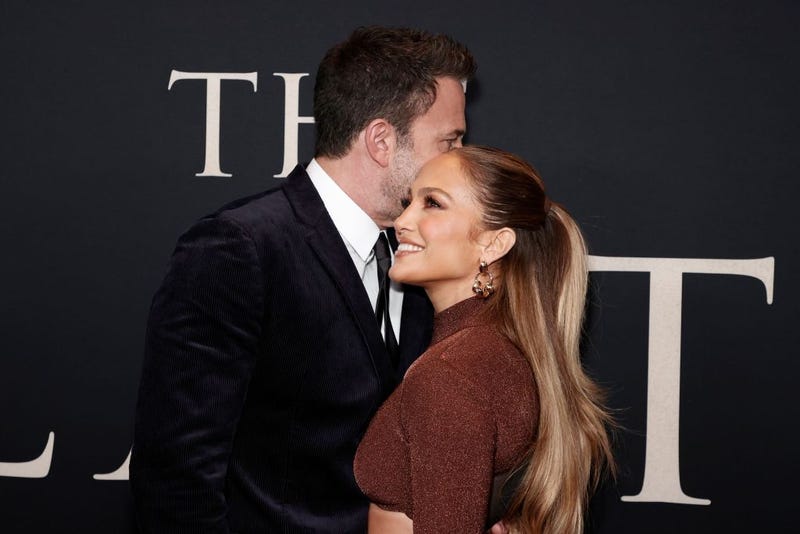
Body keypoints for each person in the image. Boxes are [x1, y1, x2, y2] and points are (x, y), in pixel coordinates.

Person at [130, 26, 476, 533]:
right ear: (381, 140)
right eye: (449, 141)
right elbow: (177, 483)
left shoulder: (421, 256)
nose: (460, 160)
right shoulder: (239, 250)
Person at [354, 146, 615, 534]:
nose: (402, 219)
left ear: (494, 244)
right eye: (410, 201)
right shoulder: (499, 351)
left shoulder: (451, 374)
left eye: (433, 204)